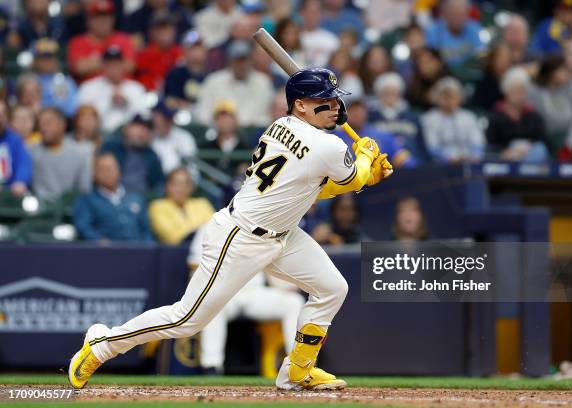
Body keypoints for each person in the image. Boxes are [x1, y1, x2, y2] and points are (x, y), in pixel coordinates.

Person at [68, 67, 393, 391]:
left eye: (335, 99)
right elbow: (350, 179)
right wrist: (365, 161)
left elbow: (315, 186)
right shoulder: (328, 146)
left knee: (332, 287)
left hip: (283, 234)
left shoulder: (282, 126)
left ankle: (298, 370)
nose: (335, 105)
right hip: (240, 236)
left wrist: (366, 173)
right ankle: (102, 344)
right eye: (324, 99)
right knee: (186, 319)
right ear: (300, 106)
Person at [187, 221, 305, 374]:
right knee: (212, 304)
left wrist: (286, 284)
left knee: (294, 302)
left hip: (254, 291)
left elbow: (271, 266)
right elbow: (196, 271)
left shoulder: (263, 226)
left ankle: (298, 365)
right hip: (224, 293)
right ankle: (211, 366)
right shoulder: (211, 226)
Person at [73, 153, 153, 242]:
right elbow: (83, 227)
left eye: (112, 168)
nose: (109, 172)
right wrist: (98, 241)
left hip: (139, 250)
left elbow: (146, 230)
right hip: (106, 252)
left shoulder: (136, 198)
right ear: (94, 174)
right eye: (103, 169)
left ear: (119, 171)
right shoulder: (86, 201)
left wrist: (148, 248)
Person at [194, 40, 274, 127]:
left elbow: (270, 116)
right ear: (229, 61)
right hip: (220, 132)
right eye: (237, 60)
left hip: (255, 133)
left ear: (251, 60)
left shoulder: (263, 82)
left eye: (244, 60)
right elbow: (203, 116)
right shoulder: (213, 81)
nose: (241, 65)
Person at [78, 46, 148, 134]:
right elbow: (83, 119)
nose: (113, 68)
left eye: (117, 64)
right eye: (109, 65)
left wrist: (126, 103)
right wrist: (108, 102)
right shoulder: (88, 87)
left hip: (128, 139)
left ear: (123, 65)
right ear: (103, 66)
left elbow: (144, 118)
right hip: (98, 136)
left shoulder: (136, 88)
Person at [29, 108, 92, 201]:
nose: (43, 128)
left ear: (62, 125)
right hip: (38, 209)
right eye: (40, 124)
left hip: (69, 209)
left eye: (48, 123)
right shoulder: (30, 151)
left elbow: (84, 189)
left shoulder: (80, 154)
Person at [486, 67, 548, 162]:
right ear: (506, 91)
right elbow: (491, 144)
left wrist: (526, 147)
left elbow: (542, 139)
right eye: (514, 90)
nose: (519, 95)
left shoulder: (534, 115)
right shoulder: (496, 116)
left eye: (522, 90)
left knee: (540, 150)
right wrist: (507, 151)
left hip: (531, 155)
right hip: (506, 158)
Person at [67, 0, 136, 82]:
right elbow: (80, 68)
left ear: (113, 19)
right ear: (88, 20)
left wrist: (94, 62)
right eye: (98, 17)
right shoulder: (78, 42)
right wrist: (114, 62)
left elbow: (130, 66)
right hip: (91, 90)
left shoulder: (123, 39)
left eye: (106, 17)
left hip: (122, 88)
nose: (103, 21)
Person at [367, 72, 428, 165]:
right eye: (386, 92)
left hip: (411, 166)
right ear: (378, 93)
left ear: (400, 93)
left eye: (393, 92)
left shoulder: (412, 117)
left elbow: (421, 147)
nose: (390, 95)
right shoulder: (370, 117)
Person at [421, 77, 485, 163]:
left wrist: (472, 157)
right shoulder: (428, 119)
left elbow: (478, 142)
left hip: (469, 162)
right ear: (437, 96)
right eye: (445, 95)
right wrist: (449, 158)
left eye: (454, 95)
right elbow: (430, 146)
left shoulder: (469, 117)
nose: (449, 99)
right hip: (440, 166)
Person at [100, 114, 165, 194]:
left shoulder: (152, 156)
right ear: (127, 128)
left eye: (148, 128)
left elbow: (159, 185)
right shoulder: (111, 147)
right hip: (110, 194)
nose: (142, 131)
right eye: (138, 126)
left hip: (140, 199)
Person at [149, 167, 215, 244]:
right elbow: (172, 236)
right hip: (175, 253)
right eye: (175, 184)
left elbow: (215, 229)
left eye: (184, 184)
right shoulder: (157, 206)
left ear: (191, 187)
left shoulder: (202, 204)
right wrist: (199, 230)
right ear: (167, 186)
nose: (179, 188)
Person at [424, 0, 485, 67]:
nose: (458, 18)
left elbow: (482, 53)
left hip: (471, 70)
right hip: (443, 72)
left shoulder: (475, 28)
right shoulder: (433, 32)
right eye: (454, 14)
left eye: (461, 14)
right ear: (445, 15)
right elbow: (430, 61)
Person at [135, 12, 183, 91]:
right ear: (151, 32)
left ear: (174, 31)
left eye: (167, 28)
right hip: (149, 96)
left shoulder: (181, 52)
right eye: (159, 29)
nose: (163, 33)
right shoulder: (143, 55)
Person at [32, 38, 79, 117]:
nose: (47, 62)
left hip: (64, 121)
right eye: (43, 58)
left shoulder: (66, 81)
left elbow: (72, 109)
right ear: (36, 61)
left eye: (50, 57)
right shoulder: (30, 81)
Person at [200, 100, 250, 175]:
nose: (225, 121)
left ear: (235, 120)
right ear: (215, 121)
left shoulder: (246, 149)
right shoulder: (205, 148)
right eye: (220, 118)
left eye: (228, 117)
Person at [164, 30, 209, 108]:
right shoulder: (175, 75)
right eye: (193, 48)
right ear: (184, 51)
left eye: (199, 47)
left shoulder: (211, 75)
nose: (197, 52)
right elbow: (171, 101)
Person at [151, 100, 197, 174]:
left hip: (177, 182)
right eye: (164, 118)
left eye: (169, 118)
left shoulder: (184, 137)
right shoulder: (147, 138)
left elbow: (192, 170)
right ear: (155, 116)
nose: (167, 122)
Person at [0, 101, 32, 197]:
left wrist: (21, 181)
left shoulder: (15, 140)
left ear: (7, 119)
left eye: (2, 115)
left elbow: (23, 163)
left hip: (9, 194)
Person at [470, 44, 512, 111]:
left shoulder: (512, 79)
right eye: (500, 57)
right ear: (492, 59)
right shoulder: (483, 81)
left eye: (506, 57)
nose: (503, 60)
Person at [299, 0, 340, 67]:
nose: (311, 16)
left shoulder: (331, 39)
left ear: (321, 15)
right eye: (309, 12)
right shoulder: (294, 37)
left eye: (315, 12)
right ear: (302, 13)